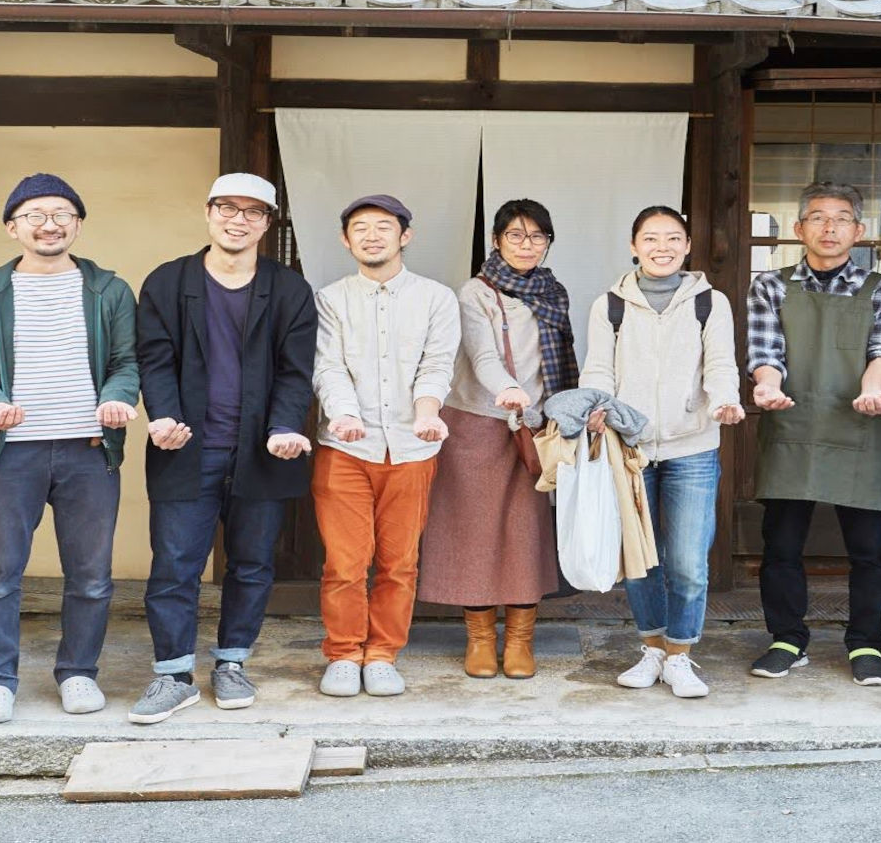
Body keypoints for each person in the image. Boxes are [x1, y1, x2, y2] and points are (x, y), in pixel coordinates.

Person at [0, 173, 140, 725]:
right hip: (9, 454)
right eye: (35, 215)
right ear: (12, 227)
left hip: (88, 450)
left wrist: (116, 399)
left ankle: (78, 673)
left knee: (91, 574)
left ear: (78, 225)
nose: (49, 224)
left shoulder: (109, 290)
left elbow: (127, 363)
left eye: (62, 214)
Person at [127, 173, 318, 722]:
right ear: (208, 212)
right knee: (175, 563)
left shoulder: (287, 289)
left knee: (253, 563)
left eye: (253, 213)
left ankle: (232, 662)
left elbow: (295, 369)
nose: (239, 220)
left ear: (267, 223)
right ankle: (173, 673)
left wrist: (284, 425)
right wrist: (161, 416)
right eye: (228, 208)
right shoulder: (168, 282)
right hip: (186, 443)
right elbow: (155, 359)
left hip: (261, 446)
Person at [744, 184, 881, 687]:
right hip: (790, 422)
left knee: (869, 550)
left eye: (841, 219)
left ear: (858, 231)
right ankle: (787, 639)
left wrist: (876, 390)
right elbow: (765, 353)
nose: (829, 228)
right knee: (782, 545)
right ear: (799, 230)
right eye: (817, 218)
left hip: (859, 424)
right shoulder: (769, 285)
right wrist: (766, 388)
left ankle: (865, 643)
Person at [583, 206, 744, 699]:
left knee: (689, 561)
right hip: (630, 448)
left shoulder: (709, 302)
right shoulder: (609, 304)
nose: (662, 247)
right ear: (634, 246)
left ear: (687, 246)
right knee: (640, 560)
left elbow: (720, 363)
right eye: (651, 239)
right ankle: (652, 648)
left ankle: (681, 656)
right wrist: (597, 407)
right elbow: (598, 370)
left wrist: (725, 400)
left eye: (672, 238)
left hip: (692, 446)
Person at [311, 194, 461, 698]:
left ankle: (381, 654)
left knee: (399, 561)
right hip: (345, 448)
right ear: (345, 239)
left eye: (383, 226)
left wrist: (426, 411)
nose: (371, 236)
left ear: (405, 236)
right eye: (360, 228)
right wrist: (344, 413)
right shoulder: (330, 299)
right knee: (345, 562)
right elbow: (327, 364)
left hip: (412, 448)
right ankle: (343, 652)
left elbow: (437, 363)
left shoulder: (437, 298)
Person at [418, 199, 573, 680]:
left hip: (535, 427)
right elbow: (483, 355)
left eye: (537, 237)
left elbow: (563, 359)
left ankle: (522, 639)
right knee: (474, 534)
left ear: (548, 243)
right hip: (476, 422)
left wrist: (558, 410)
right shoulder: (474, 293)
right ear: (496, 240)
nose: (527, 245)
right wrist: (506, 387)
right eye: (515, 235)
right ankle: (481, 639)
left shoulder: (554, 292)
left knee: (527, 534)